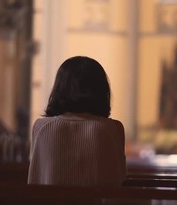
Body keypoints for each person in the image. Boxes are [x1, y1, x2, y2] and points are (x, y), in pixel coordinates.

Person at [28, 56, 126, 186]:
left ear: (59, 89)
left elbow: (35, 180)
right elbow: (120, 178)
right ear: (102, 90)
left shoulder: (41, 127)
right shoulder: (114, 129)